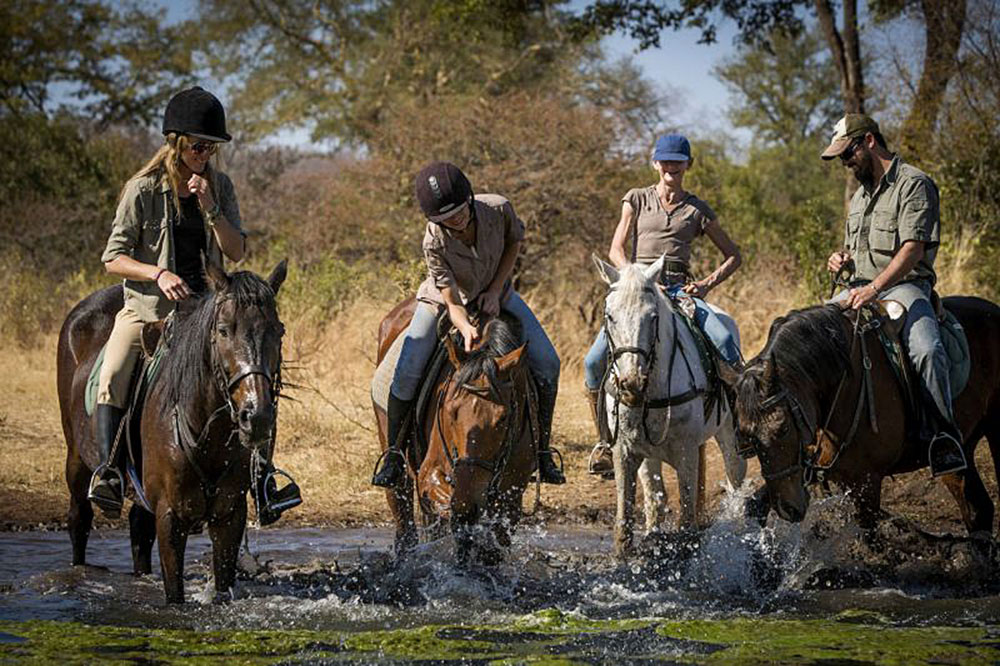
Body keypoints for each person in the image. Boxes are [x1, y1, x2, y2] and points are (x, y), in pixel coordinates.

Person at [90, 86, 301, 522]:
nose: (205, 154)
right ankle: (109, 474)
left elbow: (237, 250)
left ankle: (263, 478)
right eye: (198, 146)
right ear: (176, 142)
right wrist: (158, 274)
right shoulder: (142, 189)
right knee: (112, 374)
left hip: (209, 314)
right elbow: (113, 258)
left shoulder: (219, 187)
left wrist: (211, 208)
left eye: (212, 147)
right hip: (149, 310)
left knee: (257, 381)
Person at [372, 161, 565, 487]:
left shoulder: (499, 208)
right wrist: (463, 326)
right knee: (406, 368)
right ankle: (393, 454)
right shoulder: (433, 241)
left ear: (470, 199)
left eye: (459, 211)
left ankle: (542, 453)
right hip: (445, 301)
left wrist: (495, 289)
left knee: (548, 362)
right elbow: (449, 298)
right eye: (444, 218)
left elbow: (513, 243)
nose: (455, 220)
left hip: (497, 292)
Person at [583, 134, 742, 477]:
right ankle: (604, 442)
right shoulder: (636, 199)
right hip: (639, 292)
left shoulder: (697, 210)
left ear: (688, 165)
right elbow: (616, 248)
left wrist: (705, 285)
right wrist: (632, 279)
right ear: (655, 163)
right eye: (665, 161)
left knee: (727, 344)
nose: (671, 167)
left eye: (678, 161)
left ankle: (737, 427)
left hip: (679, 293)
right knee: (593, 361)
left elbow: (733, 255)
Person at [822, 113, 966, 477]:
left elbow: (912, 249)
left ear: (869, 141)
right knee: (811, 333)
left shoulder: (914, 184)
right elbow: (858, 251)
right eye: (840, 157)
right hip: (858, 290)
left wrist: (874, 287)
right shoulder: (859, 196)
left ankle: (943, 437)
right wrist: (842, 259)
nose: (845, 162)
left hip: (905, 287)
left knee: (927, 349)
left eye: (847, 153)